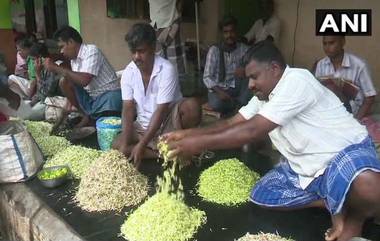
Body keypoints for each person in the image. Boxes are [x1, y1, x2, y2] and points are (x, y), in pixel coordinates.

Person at [164, 41, 380, 241]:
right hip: (307, 172)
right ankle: (333, 200)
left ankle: (353, 217)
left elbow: (252, 130)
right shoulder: (264, 98)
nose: (250, 85)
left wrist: (197, 145)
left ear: (275, 69)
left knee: (369, 185)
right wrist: (188, 134)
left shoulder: (297, 80)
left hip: (345, 154)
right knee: (262, 194)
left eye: (254, 76)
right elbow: (232, 123)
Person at [112, 23, 201, 168]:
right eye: (133, 52)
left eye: (141, 51)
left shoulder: (166, 69)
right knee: (116, 145)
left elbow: (161, 110)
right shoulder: (128, 72)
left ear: (153, 48)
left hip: (168, 124)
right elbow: (127, 109)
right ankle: (167, 154)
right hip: (142, 126)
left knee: (192, 107)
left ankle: (154, 149)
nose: (136, 57)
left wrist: (141, 144)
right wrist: (126, 144)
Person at [44, 26, 122, 127]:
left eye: (62, 46)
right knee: (64, 81)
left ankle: (91, 118)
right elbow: (73, 82)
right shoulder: (74, 60)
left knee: (106, 121)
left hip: (108, 96)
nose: (61, 52)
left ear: (71, 42)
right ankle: (86, 116)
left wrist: (56, 67)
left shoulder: (91, 51)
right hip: (92, 98)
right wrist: (67, 106)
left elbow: (84, 80)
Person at [315, 36, 376, 120]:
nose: (327, 47)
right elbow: (317, 92)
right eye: (324, 44)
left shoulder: (359, 65)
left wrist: (356, 120)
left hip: (353, 113)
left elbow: (370, 97)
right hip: (328, 112)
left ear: (342, 42)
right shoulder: (321, 65)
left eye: (331, 43)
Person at [203, 16, 250, 115]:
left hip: (235, 87)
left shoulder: (244, 49)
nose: (229, 35)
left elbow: (257, 65)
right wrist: (220, 92)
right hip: (218, 90)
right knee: (216, 104)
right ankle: (239, 105)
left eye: (232, 31)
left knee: (248, 76)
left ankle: (237, 104)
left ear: (236, 32)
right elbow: (207, 77)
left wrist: (246, 69)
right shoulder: (214, 50)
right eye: (226, 32)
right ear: (221, 34)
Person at [149, 0, 187, 81]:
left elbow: (180, 3)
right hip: (156, 27)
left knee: (176, 70)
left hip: (173, 25)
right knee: (157, 67)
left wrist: (178, 16)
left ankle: (175, 90)